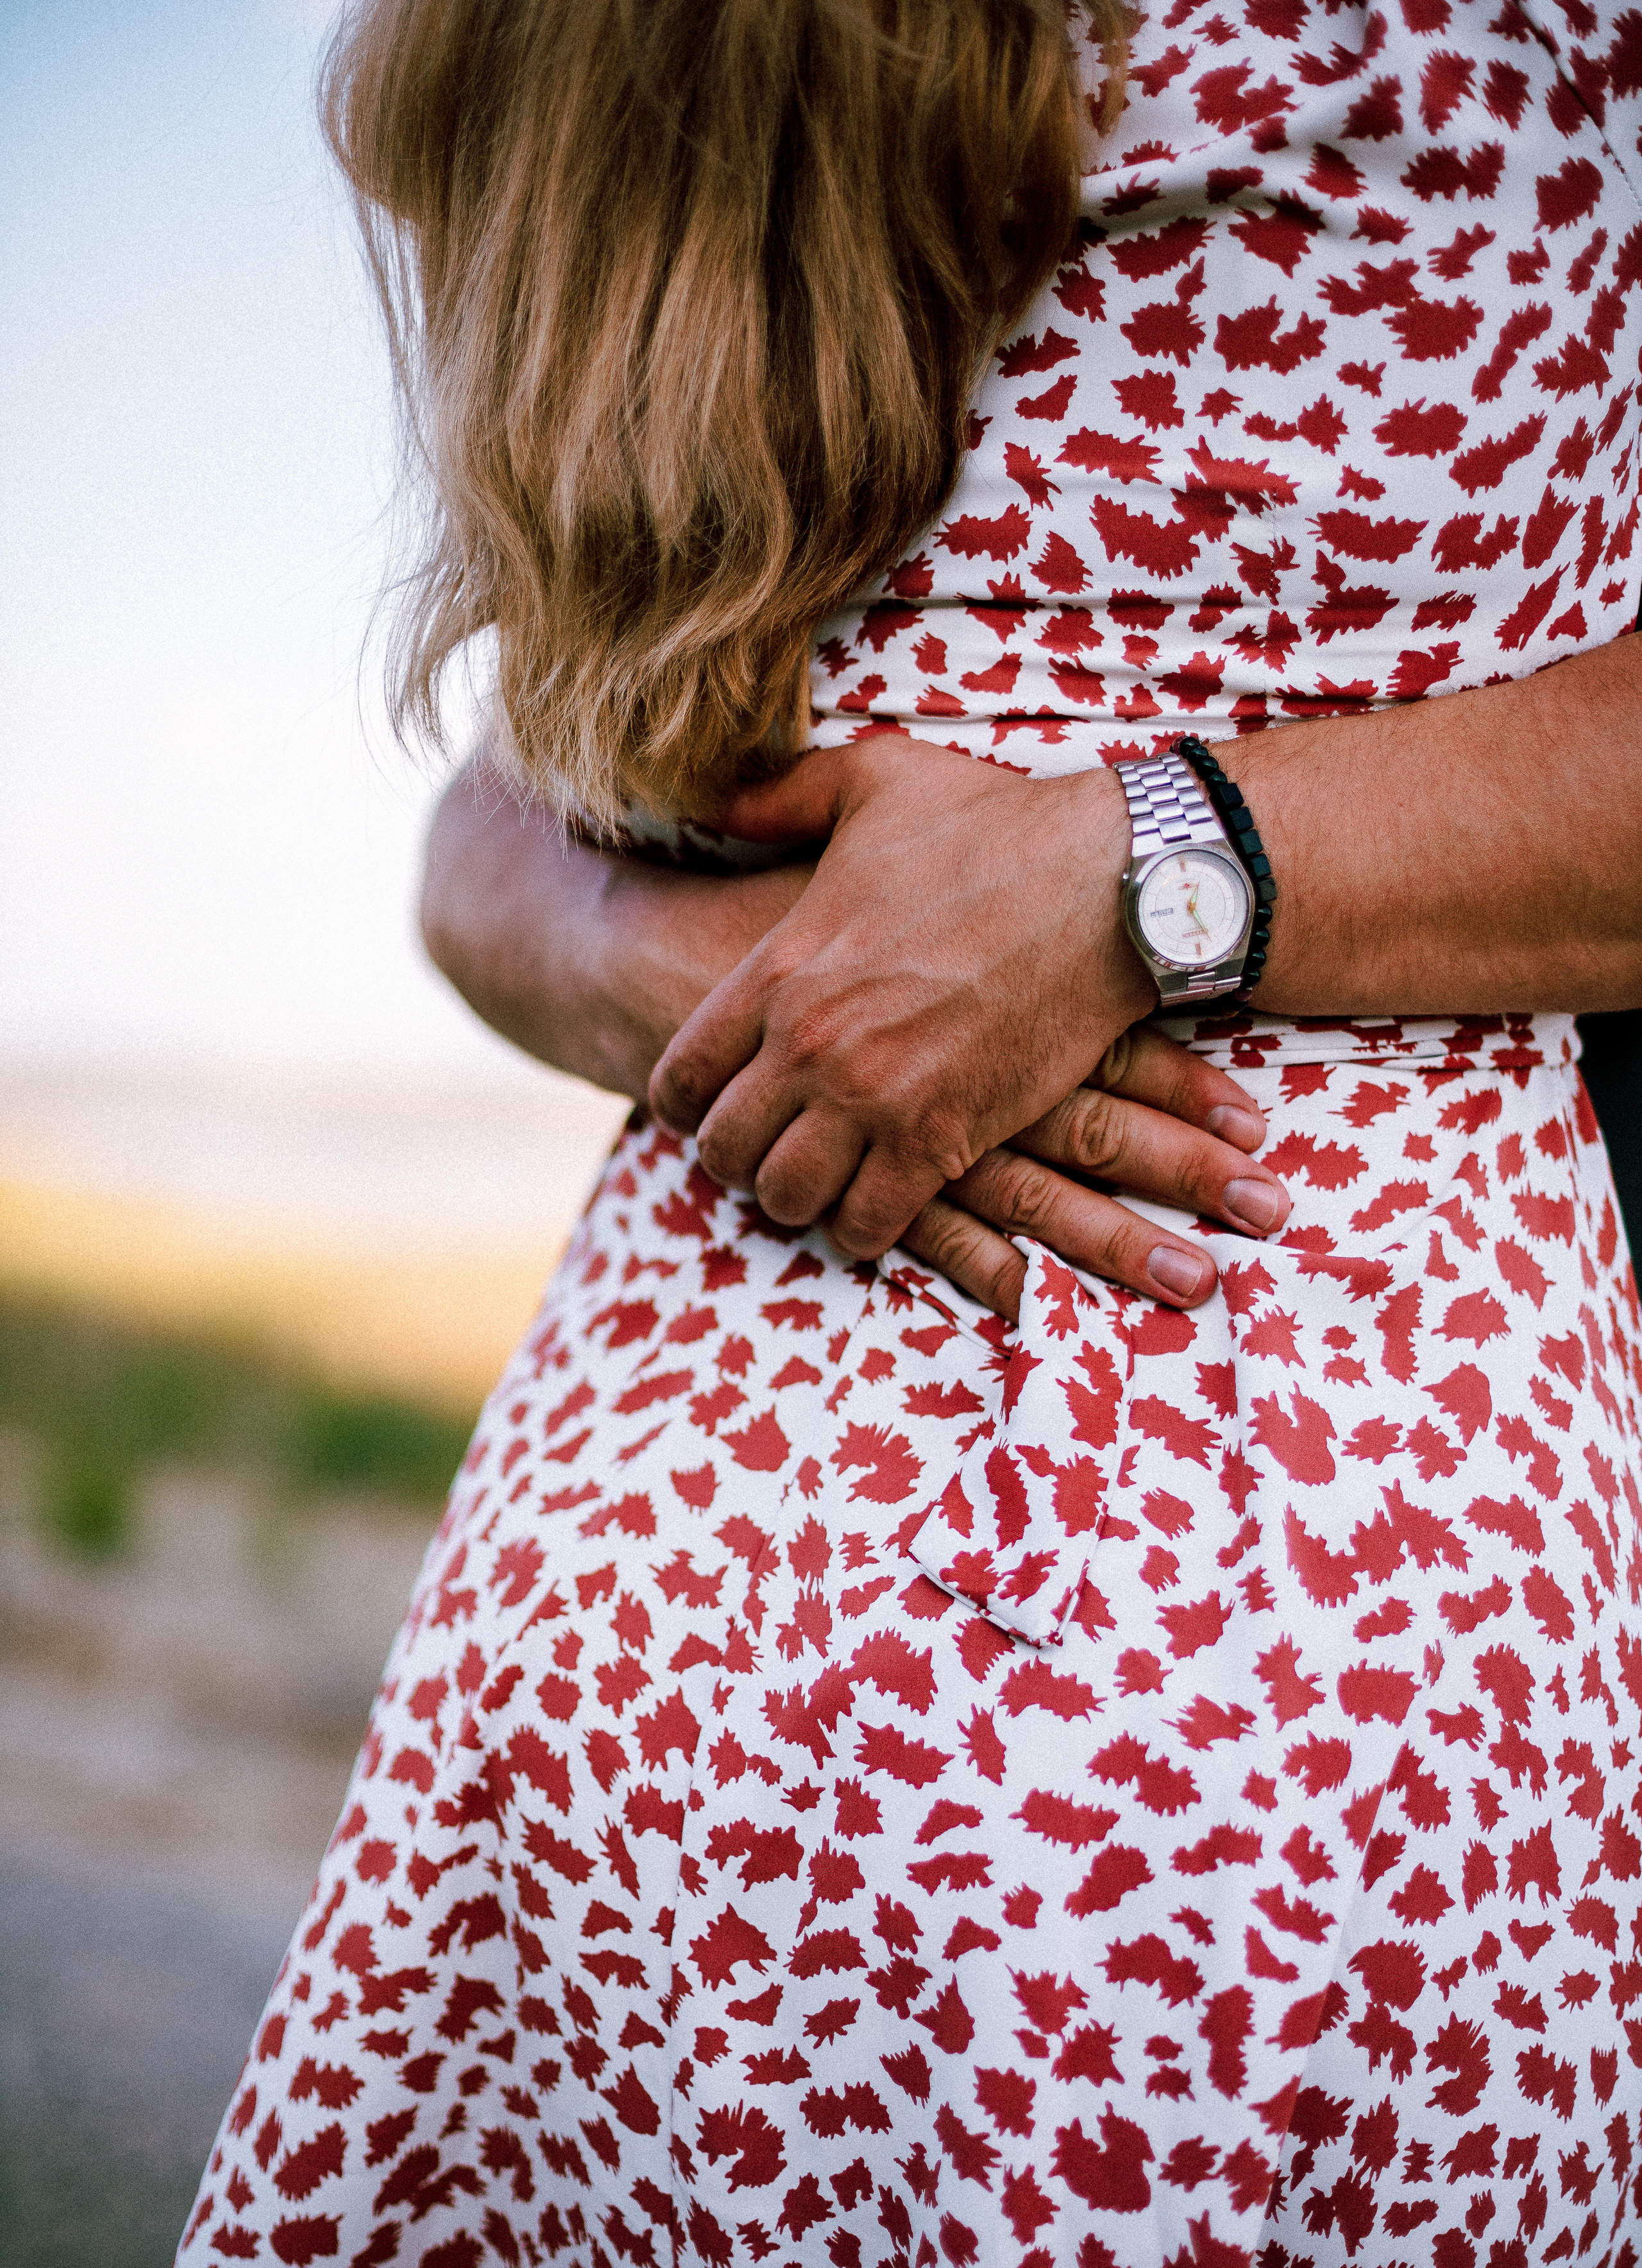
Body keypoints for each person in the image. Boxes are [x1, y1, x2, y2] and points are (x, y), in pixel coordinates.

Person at [182, 1, 1642, 2262]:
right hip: (1297, 1680)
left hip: (685, 1590)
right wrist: (699, 969)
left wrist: (1130, 872)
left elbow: (512, 805)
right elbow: (505, 814)